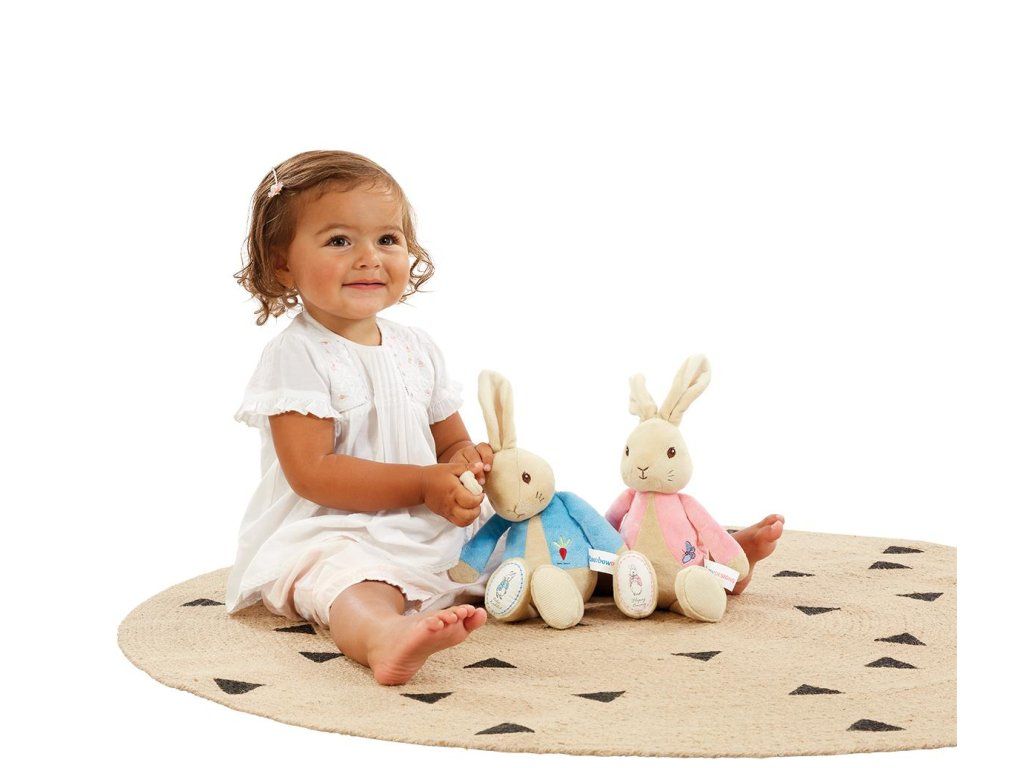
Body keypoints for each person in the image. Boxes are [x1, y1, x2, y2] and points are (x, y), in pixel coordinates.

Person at [228, 150, 783, 685]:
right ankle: (384, 637)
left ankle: (694, 563)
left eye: (388, 239)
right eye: (339, 240)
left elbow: (451, 442)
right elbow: (313, 472)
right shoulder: (297, 355)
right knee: (351, 584)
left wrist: (467, 466)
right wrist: (424, 484)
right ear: (283, 263)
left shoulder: (414, 348)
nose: (370, 257)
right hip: (337, 526)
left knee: (545, 545)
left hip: (428, 519)